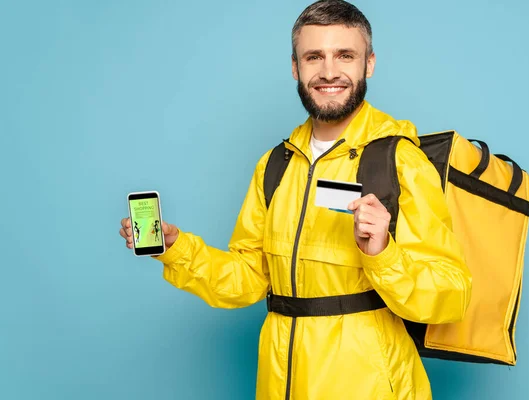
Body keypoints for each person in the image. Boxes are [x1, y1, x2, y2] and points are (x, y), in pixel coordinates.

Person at [119, 1, 472, 399]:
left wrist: (384, 253)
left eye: (345, 55)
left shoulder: (400, 160)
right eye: (314, 56)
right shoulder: (275, 166)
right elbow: (247, 278)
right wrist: (176, 248)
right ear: (295, 67)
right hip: (280, 382)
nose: (328, 72)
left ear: (369, 64)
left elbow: (452, 295)